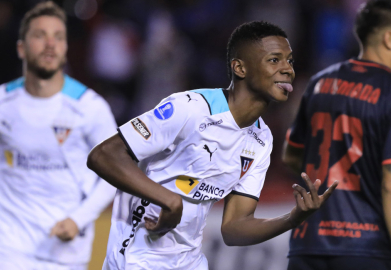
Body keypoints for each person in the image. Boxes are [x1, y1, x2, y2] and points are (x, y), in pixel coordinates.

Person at [87, 21, 338, 270]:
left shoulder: (262, 139)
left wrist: (293, 218)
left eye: (290, 61)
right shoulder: (190, 109)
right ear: (239, 68)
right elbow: (103, 155)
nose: (288, 69)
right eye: (275, 60)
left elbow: (234, 228)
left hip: (190, 263)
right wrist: (168, 200)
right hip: (135, 260)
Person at [282, 1, 391, 270]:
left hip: (306, 245)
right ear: (389, 38)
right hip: (365, 248)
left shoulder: (319, 83)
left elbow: (291, 155)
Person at [0, 2, 117, 269]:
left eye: (58, 37)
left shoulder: (90, 107)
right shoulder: (3, 101)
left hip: (65, 252)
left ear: (65, 49)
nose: (50, 44)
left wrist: (79, 219)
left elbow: (115, 175)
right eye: (40, 35)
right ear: (21, 48)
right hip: (8, 247)